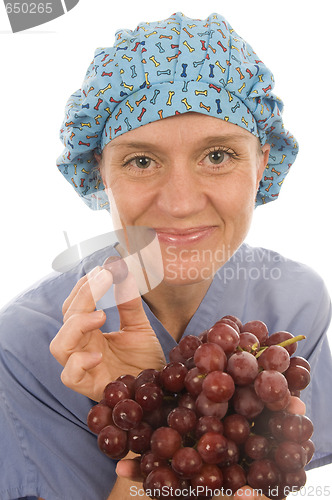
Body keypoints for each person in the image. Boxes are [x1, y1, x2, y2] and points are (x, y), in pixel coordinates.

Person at [0, 11, 331, 500]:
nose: (180, 203)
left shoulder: (297, 304)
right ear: (101, 172)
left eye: (217, 156)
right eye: (141, 160)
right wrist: (147, 424)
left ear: (262, 162)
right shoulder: (26, 350)